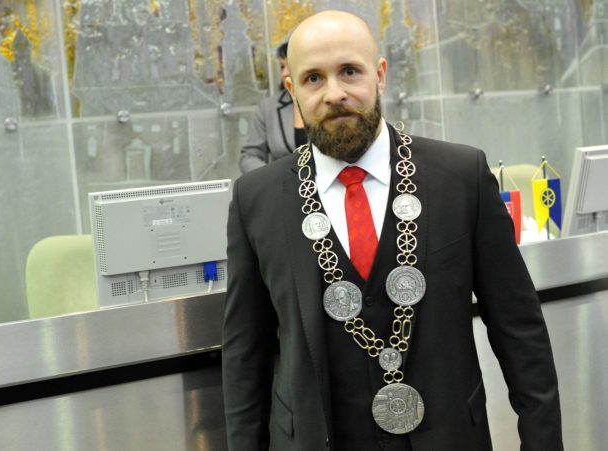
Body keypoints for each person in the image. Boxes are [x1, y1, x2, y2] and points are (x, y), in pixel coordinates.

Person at [223, 10, 562, 451]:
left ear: (380, 74)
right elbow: (244, 355)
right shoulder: (256, 199)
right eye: (313, 79)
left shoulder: (460, 176)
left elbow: (519, 330)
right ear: (292, 90)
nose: (334, 93)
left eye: (350, 71)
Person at [238, 42, 306, 173]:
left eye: (291, 65)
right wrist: (274, 177)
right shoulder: (268, 108)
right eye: (282, 66)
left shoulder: (329, 100)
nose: (285, 73)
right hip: (282, 183)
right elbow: (249, 156)